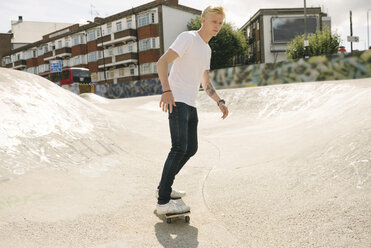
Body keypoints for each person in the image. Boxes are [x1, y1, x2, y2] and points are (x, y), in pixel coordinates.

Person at [156, 6, 229, 215]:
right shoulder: (187, 38)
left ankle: (164, 187)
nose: (217, 26)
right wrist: (166, 90)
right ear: (203, 20)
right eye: (214, 21)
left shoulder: (207, 49)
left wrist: (219, 100)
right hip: (177, 99)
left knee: (191, 149)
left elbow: (204, 82)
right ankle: (163, 202)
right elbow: (161, 62)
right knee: (179, 148)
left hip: (190, 102)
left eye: (220, 23)